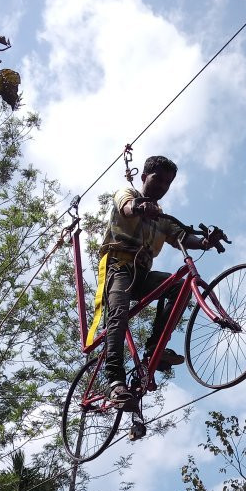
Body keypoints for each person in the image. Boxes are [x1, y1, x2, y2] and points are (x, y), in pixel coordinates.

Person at [95, 155, 219, 407]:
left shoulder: (161, 218)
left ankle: (155, 349)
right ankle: (114, 382)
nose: (162, 186)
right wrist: (139, 208)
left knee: (180, 288)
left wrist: (206, 241)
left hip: (141, 275)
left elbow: (183, 237)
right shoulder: (128, 193)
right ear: (144, 177)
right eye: (157, 179)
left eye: (167, 183)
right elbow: (126, 206)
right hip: (118, 269)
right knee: (118, 315)